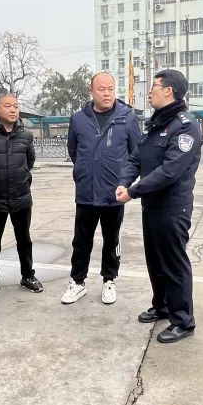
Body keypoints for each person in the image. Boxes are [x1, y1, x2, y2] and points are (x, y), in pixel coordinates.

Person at [116, 69, 202, 344]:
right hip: (152, 206)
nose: (149, 91)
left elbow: (169, 171)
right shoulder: (155, 124)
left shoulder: (185, 126)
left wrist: (133, 192)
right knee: (155, 261)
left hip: (173, 208)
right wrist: (124, 182)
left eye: (154, 85)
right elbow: (136, 158)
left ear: (168, 90)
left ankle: (183, 321)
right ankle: (162, 306)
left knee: (174, 264)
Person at [62, 72, 141, 305]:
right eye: (101, 89)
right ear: (91, 91)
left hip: (114, 193)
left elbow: (136, 153)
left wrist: (124, 181)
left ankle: (109, 280)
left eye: (110, 89)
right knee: (81, 241)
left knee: (112, 240)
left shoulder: (127, 117)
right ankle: (77, 282)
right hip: (86, 192)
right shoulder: (78, 119)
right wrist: (84, 172)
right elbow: (74, 151)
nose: (107, 94)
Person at [0, 93, 42, 299]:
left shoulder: (26, 136)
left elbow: (30, 161)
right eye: (8, 106)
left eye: (15, 106)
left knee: (24, 240)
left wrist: (22, 178)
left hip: (21, 197)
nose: (13, 110)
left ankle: (28, 276)